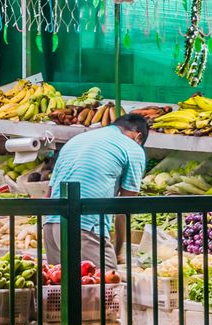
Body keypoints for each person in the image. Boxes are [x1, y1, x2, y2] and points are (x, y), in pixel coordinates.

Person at [45, 110, 150, 271]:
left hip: (51, 224)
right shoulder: (133, 148)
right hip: (85, 226)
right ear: (139, 136)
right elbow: (125, 208)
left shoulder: (77, 140)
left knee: (61, 289)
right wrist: (117, 251)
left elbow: (49, 194)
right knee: (105, 288)